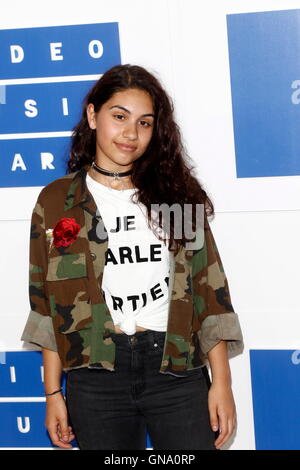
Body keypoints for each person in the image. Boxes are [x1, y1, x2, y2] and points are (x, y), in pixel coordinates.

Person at [20, 64, 244, 450]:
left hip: (175, 369)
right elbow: (47, 305)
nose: (130, 133)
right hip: (95, 375)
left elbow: (210, 293)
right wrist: (53, 394)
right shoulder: (56, 201)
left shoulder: (177, 195)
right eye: (119, 117)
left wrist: (221, 383)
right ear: (93, 115)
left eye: (144, 123)